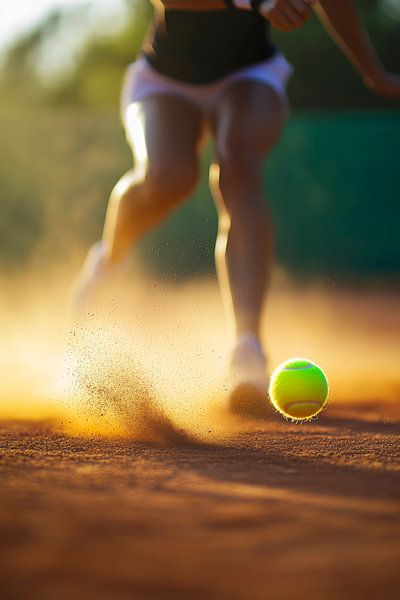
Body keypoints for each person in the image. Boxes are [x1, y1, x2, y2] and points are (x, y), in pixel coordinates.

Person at [72, 0, 400, 416]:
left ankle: (247, 349)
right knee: (168, 177)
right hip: (165, 79)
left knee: (238, 165)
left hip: (250, 74)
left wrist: (373, 72)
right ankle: (107, 263)